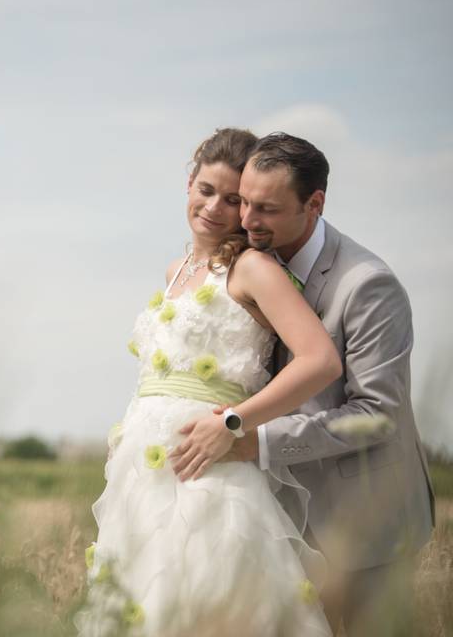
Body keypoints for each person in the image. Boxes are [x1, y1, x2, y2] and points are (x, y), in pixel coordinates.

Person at [75, 128, 341, 637]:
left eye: (234, 199)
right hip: (142, 474)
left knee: (209, 606)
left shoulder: (254, 268)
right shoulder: (177, 270)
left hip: (209, 472)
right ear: (189, 184)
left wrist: (234, 423)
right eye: (206, 190)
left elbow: (320, 360)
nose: (216, 208)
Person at [180, 132, 435, 636]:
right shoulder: (249, 264)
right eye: (245, 202)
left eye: (267, 209)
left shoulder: (366, 286)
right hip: (279, 520)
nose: (247, 220)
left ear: (314, 203)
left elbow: (375, 416)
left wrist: (255, 439)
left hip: (367, 522)